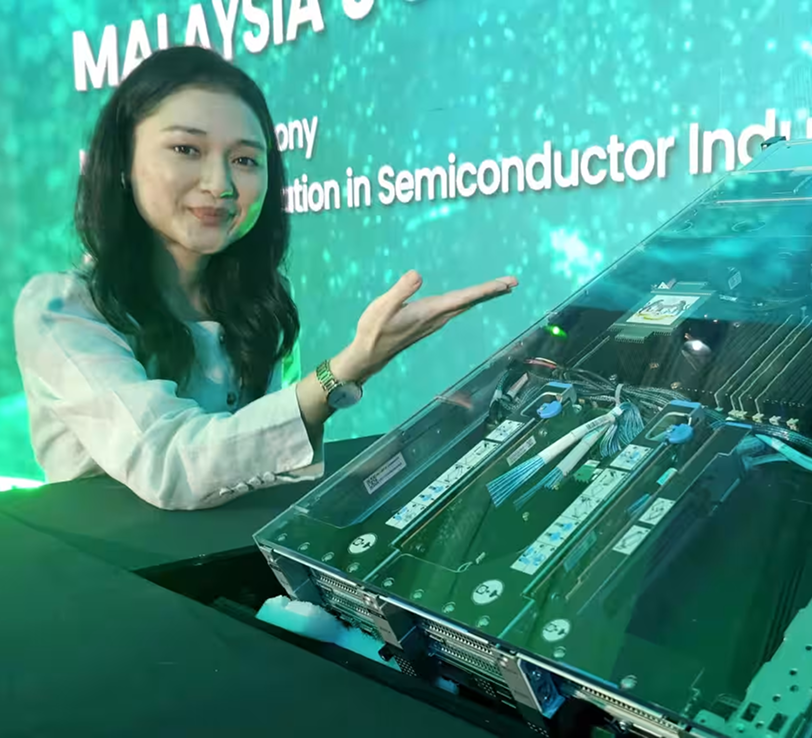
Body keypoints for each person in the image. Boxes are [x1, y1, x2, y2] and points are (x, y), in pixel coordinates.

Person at [12, 46, 517, 511]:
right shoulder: (61, 308)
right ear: (122, 162)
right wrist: (345, 369)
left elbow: (264, 469)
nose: (220, 184)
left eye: (244, 160)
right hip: (111, 572)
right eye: (186, 149)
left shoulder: (262, 300)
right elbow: (169, 461)